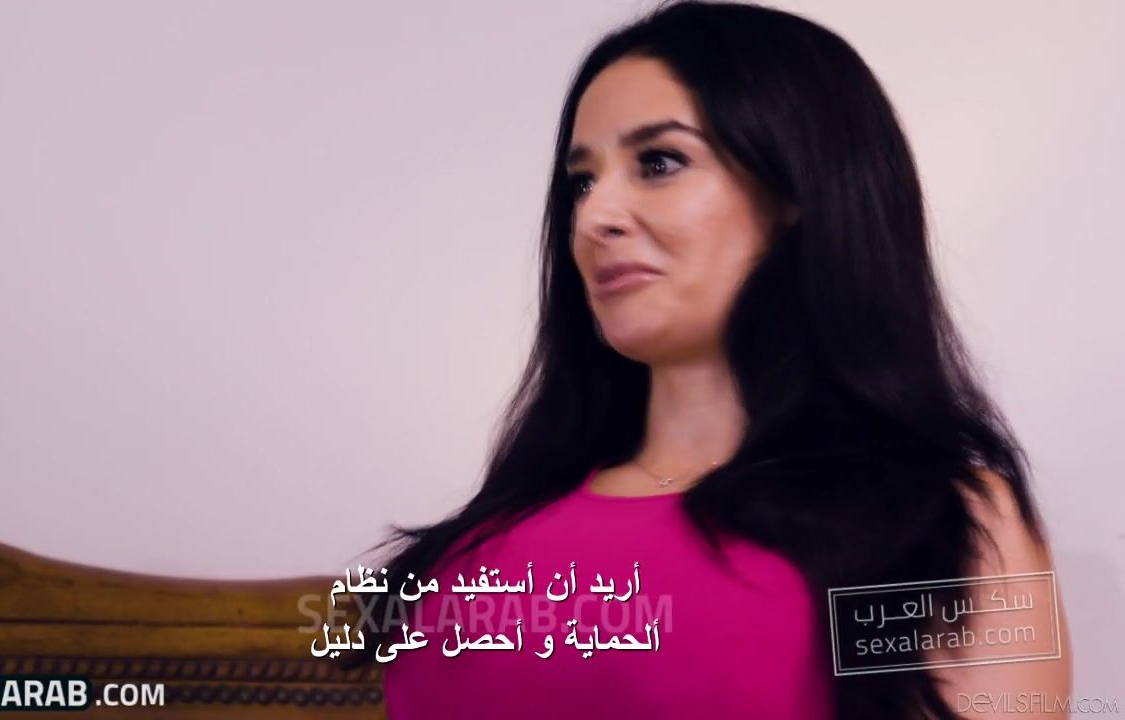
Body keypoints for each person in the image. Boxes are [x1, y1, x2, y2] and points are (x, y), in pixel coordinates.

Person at [343, 1, 1072, 718]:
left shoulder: (931, 523)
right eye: (581, 182)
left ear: (795, 188)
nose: (594, 217)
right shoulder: (488, 536)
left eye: (659, 162)